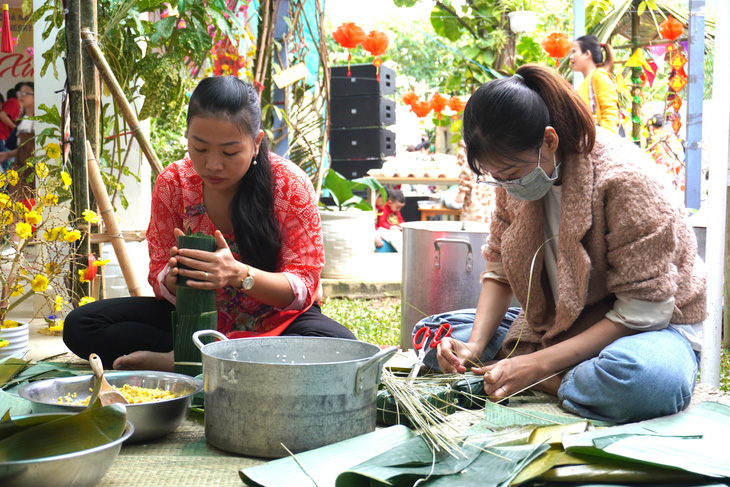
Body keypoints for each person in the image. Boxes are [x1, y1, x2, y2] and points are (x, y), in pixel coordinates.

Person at [413, 64, 706, 424]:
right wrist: (472, 347)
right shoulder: (516, 180)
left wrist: (536, 366)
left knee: (644, 382)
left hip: (648, 329)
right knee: (434, 334)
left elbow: (645, 311)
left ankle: (547, 378)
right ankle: (523, 367)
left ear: (549, 141)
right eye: (497, 178)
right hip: (559, 322)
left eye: (511, 174)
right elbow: (500, 270)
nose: (507, 187)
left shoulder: (627, 181)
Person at [63, 76, 356, 371]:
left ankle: (186, 361)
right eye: (200, 148)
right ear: (188, 136)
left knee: (341, 347)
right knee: (82, 324)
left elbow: (305, 285)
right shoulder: (174, 183)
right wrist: (173, 277)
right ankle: (217, 360)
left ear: (256, 144)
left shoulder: (289, 185)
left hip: (278, 324)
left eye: (230, 152)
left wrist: (239, 274)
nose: (213, 164)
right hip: (194, 318)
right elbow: (158, 275)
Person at [570, 36, 620, 133]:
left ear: (587, 54)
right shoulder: (584, 83)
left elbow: (610, 113)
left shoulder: (599, 75)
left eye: (574, 52)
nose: (571, 57)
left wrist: (605, 143)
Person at [455, 140, 495, 223]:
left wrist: (463, 189)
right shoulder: (495, 135)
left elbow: (466, 166)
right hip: (493, 184)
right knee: (492, 223)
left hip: (476, 186)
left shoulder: (467, 139)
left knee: (474, 224)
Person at [646, 113, 685, 193]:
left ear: (653, 128)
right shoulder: (671, 136)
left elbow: (657, 158)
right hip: (673, 171)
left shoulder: (658, 138)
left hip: (665, 173)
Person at [0, 84, 23, 153]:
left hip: (5, 136)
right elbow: (2, 116)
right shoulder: (14, 101)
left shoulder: (11, 103)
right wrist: (16, 128)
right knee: (5, 161)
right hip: (1, 135)